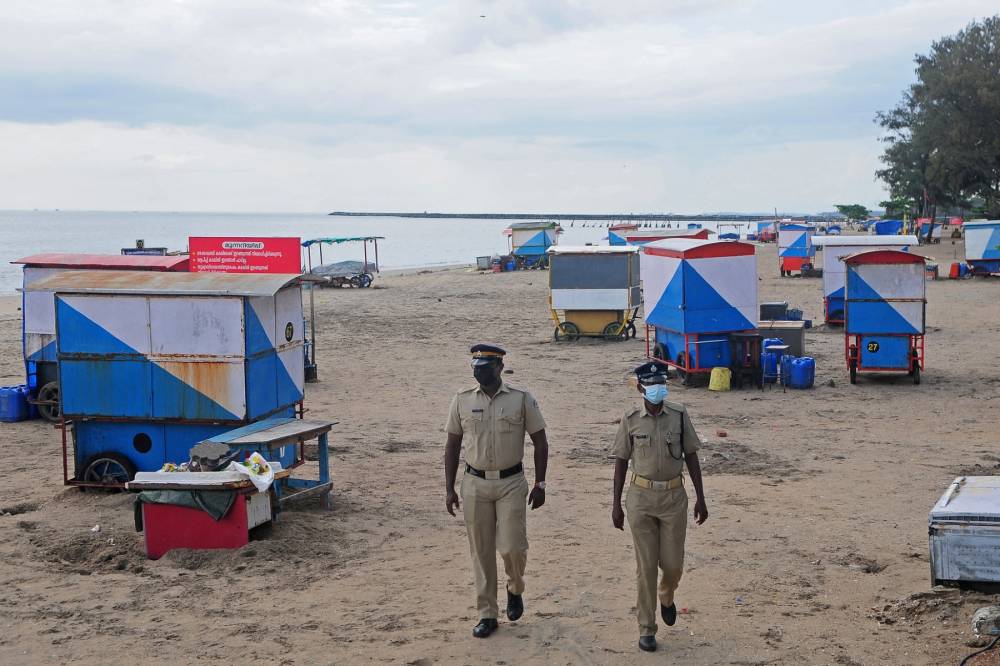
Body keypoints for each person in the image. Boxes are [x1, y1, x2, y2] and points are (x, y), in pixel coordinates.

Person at [444, 344, 549, 638]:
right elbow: (452, 445)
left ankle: (515, 587)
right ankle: (487, 614)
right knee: (481, 551)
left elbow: (540, 441)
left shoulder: (520, 400)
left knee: (513, 547)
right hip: (474, 483)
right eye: (476, 366)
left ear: (499, 368)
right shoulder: (462, 400)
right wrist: (449, 488)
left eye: (485, 367)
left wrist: (541, 483)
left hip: (511, 483)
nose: (479, 371)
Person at [611, 361, 708, 652]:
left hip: (673, 498)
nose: (658, 389)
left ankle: (667, 595)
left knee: (673, 564)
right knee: (646, 567)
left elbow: (691, 456)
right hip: (640, 499)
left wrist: (701, 498)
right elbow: (620, 461)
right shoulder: (630, 419)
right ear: (641, 388)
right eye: (652, 385)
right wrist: (615, 504)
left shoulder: (678, 415)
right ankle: (646, 628)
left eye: (661, 384)